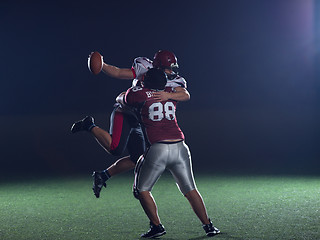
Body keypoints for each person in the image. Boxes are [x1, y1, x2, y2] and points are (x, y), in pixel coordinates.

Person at [71, 50, 190, 198]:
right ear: (157, 66)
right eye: (168, 67)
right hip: (126, 112)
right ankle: (89, 125)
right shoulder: (144, 68)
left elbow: (185, 94)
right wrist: (102, 65)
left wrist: (168, 95)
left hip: (142, 119)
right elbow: (119, 73)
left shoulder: (175, 80)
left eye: (172, 67)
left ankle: (103, 176)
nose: (170, 71)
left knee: (138, 157)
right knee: (115, 148)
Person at [124, 68, 220, 238]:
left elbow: (124, 98)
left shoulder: (139, 94)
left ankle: (157, 226)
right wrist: (169, 94)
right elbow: (185, 94)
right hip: (180, 147)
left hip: (158, 148)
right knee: (190, 189)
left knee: (142, 190)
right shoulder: (171, 92)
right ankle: (209, 226)